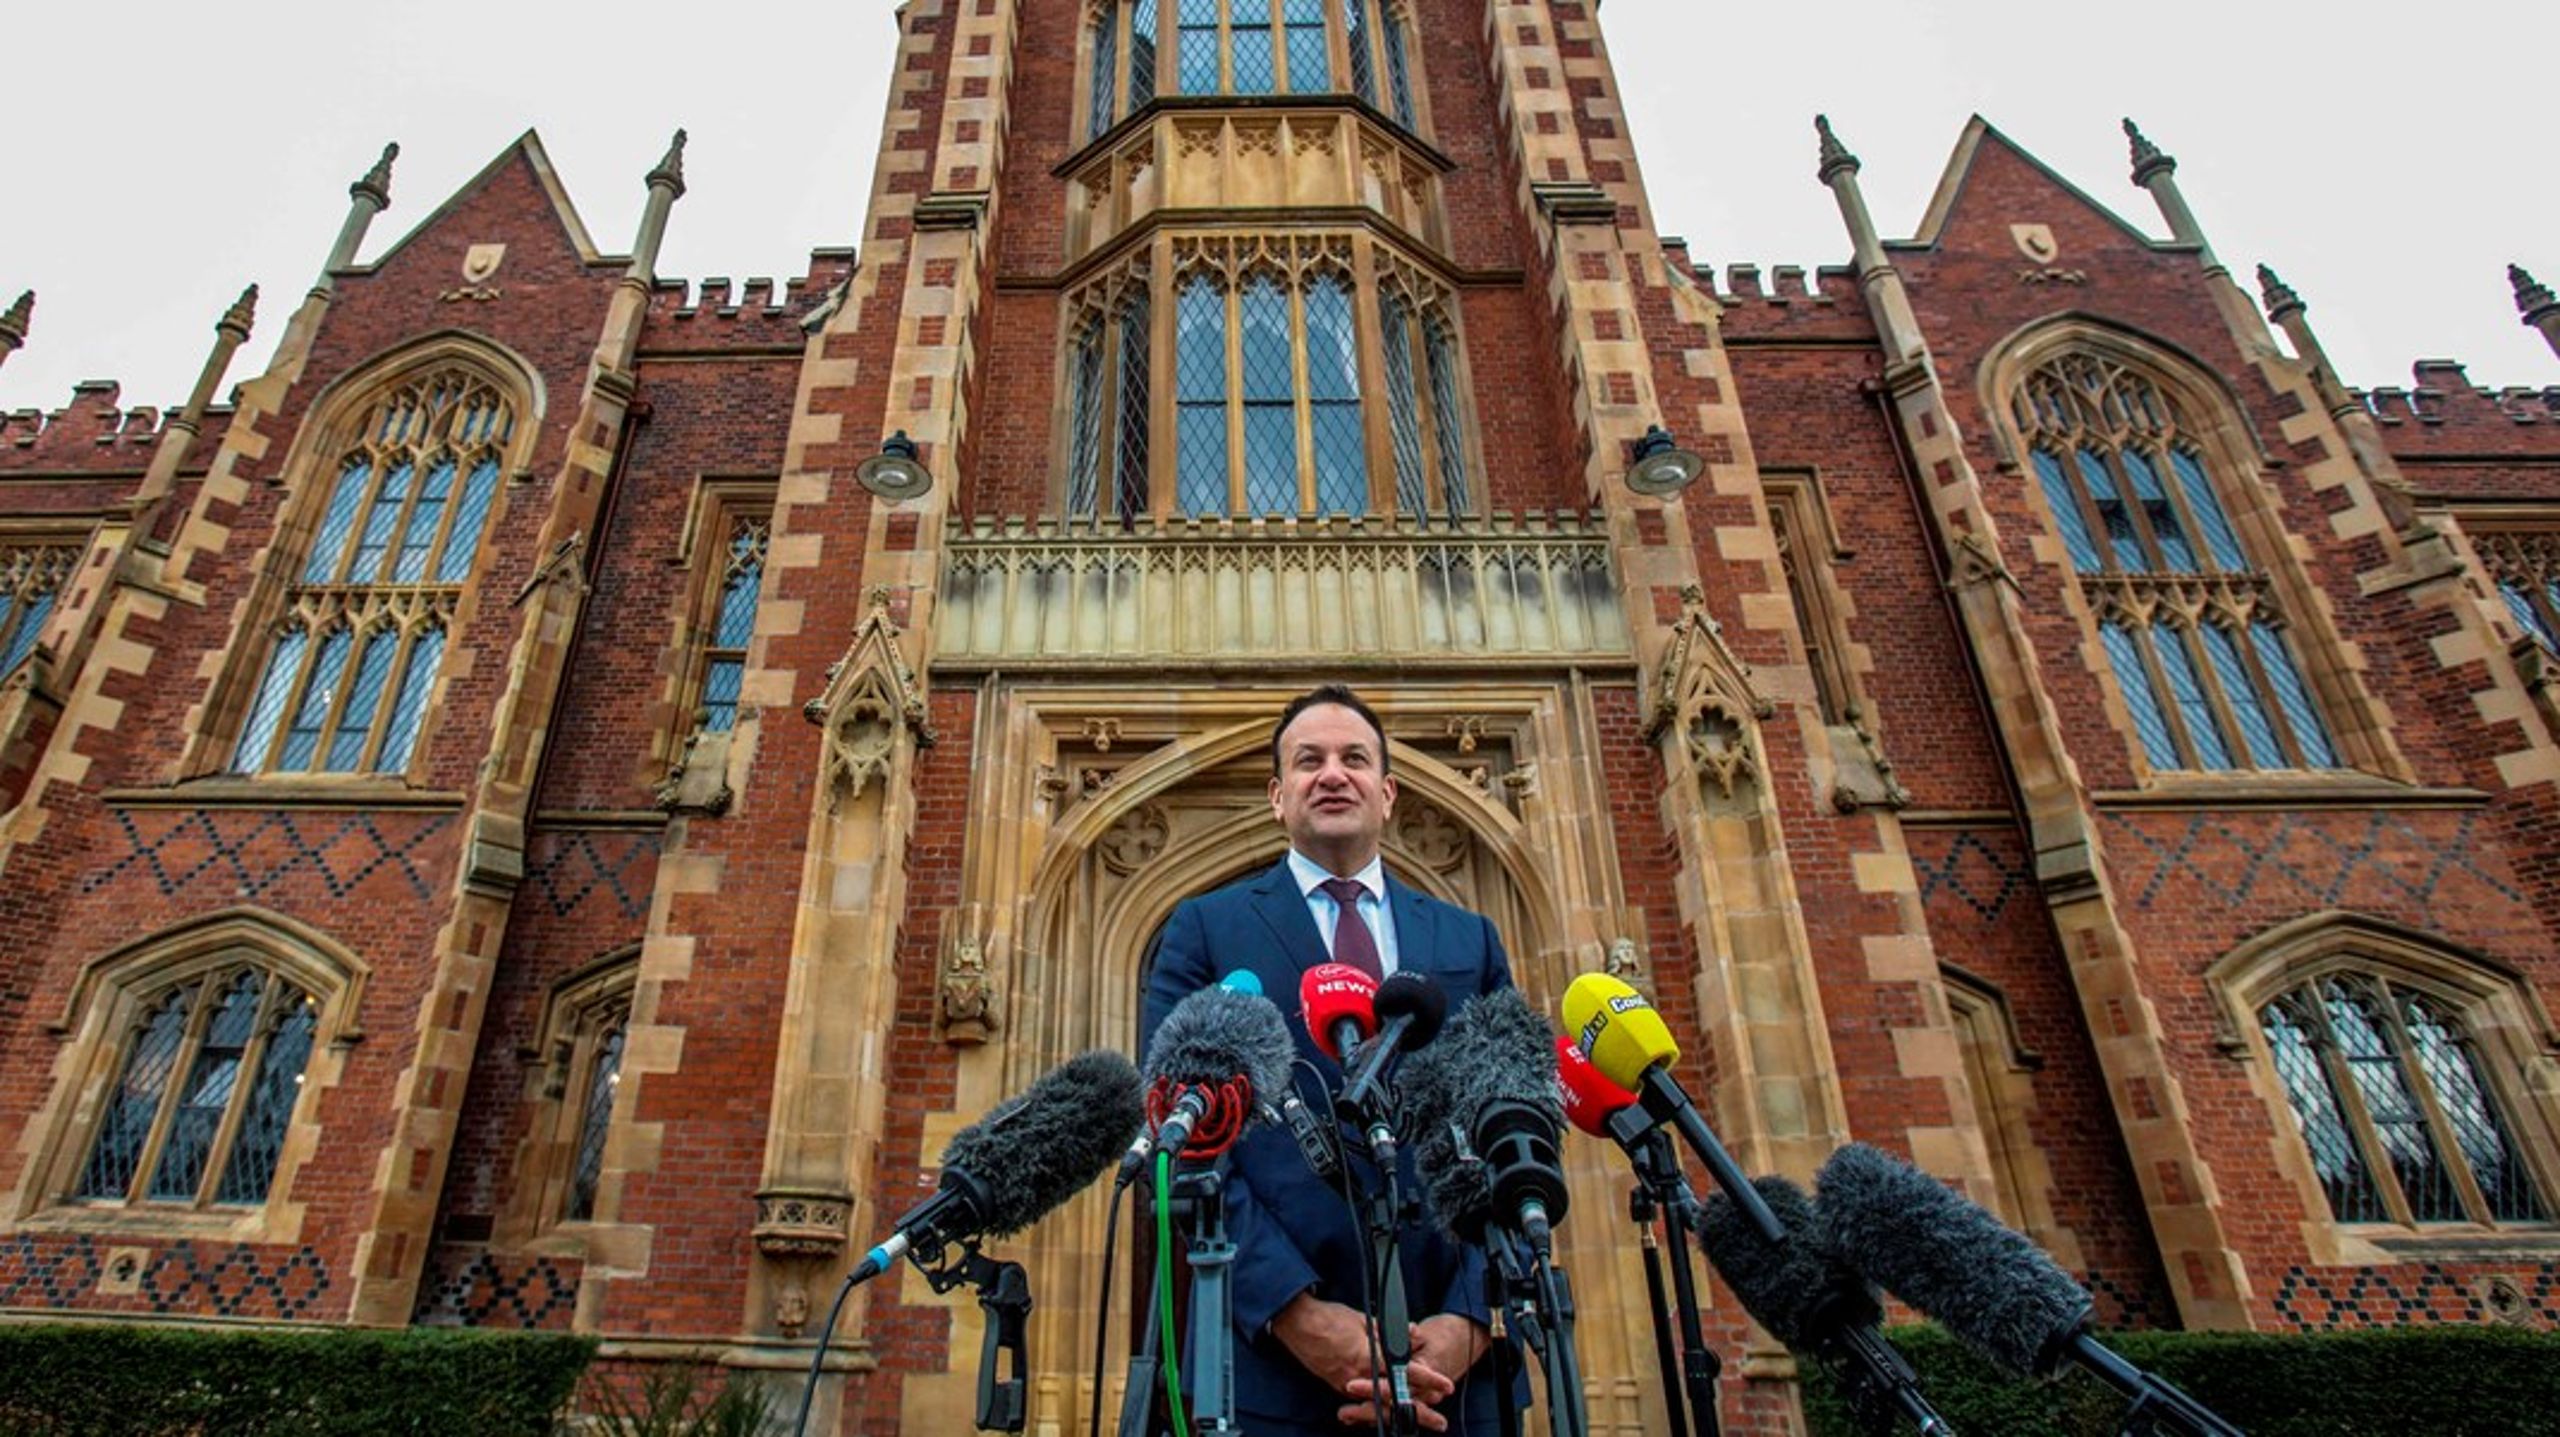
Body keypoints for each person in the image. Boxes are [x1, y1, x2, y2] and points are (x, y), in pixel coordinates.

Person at [1140, 685, 1521, 1436]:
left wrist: (1473, 1316)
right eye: (1307, 761)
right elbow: (1179, 1147)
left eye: (1354, 758)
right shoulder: (1205, 930)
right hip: (1275, 1374)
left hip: (1458, 1378)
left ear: (1389, 792)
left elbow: (1515, 1127)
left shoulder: (1466, 939)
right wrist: (1298, 1313)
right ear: (1278, 797)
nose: (1332, 774)